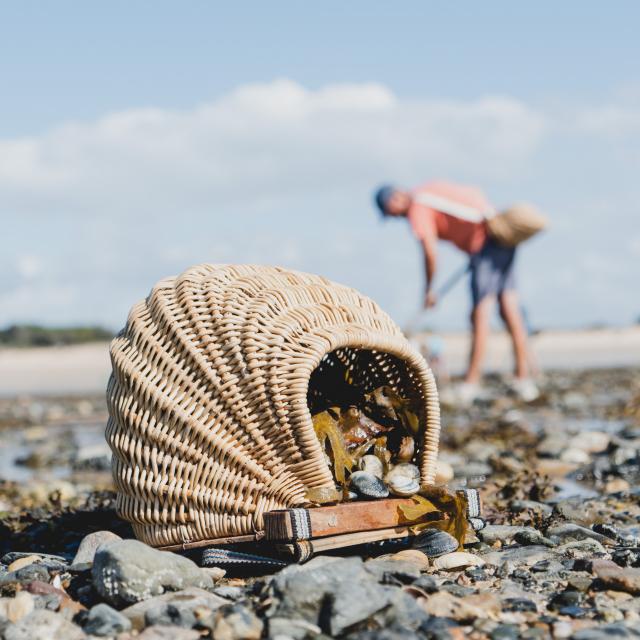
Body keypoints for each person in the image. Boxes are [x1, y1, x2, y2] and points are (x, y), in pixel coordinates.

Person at [374, 180, 539, 403]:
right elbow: (474, 194)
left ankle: (471, 384)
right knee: (509, 309)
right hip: (499, 238)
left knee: (480, 313)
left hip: (486, 244)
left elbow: (430, 253)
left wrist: (429, 290)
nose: (394, 218)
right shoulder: (428, 190)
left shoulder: (417, 207)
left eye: (389, 212)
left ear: (394, 199)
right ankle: (523, 378)